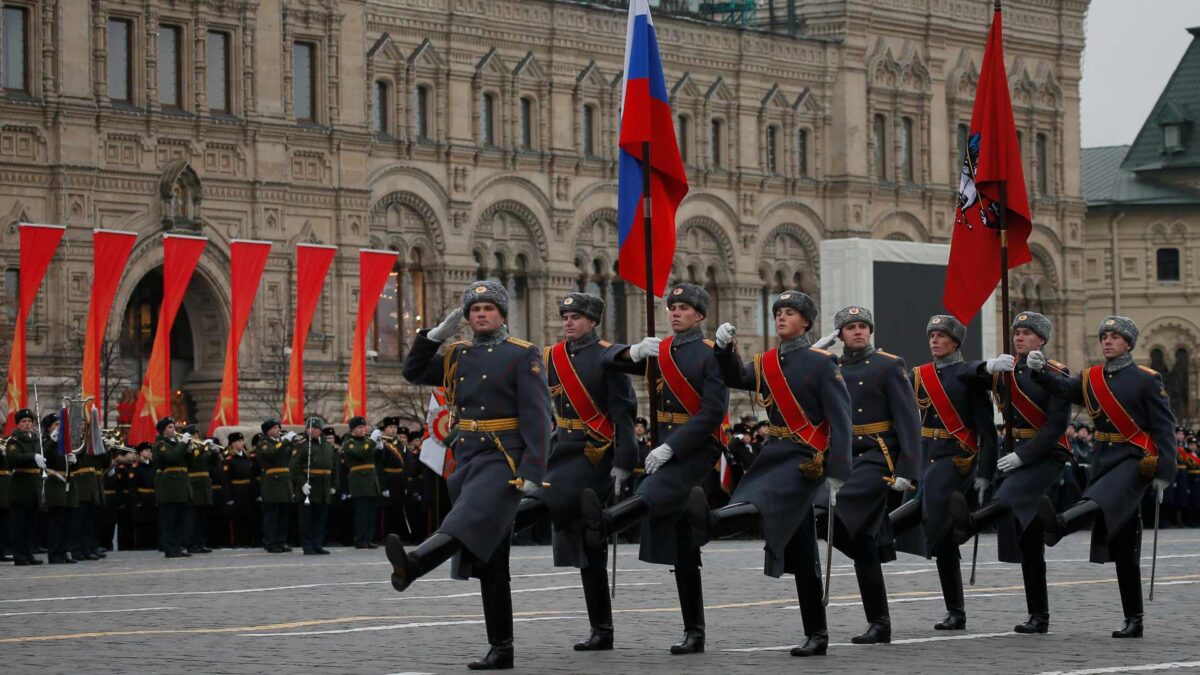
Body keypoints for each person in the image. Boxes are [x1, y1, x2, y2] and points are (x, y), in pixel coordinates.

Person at [387, 280, 550, 670]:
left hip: (503, 460)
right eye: (474, 310)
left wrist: (532, 468)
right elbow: (412, 372)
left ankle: (414, 564)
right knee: (491, 561)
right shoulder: (458, 354)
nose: (480, 315)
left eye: (488, 309)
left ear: (502, 314)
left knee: (465, 520)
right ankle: (502, 648)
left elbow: (539, 416)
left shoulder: (522, 354)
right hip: (469, 458)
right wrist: (432, 337)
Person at [683, 290, 851, 656]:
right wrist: (724, 349)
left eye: (789, 313)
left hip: (805, 458)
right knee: (803, 550)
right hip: (774, 452)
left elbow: (841, 418)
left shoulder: (822, 364)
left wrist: (838, 470)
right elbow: (738, 377)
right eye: (778, 312)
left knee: (760, 500)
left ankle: (711, 525)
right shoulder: (767, 362)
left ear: (805, 322)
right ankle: (817, 634)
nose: (780, 317)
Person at [580, 282, 729, 656]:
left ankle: (608, 521)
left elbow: (712, 413)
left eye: (683, 308)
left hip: (696, 446)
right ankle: (695, 631)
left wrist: (670, 446)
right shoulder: (659, 351)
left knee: (654, 492)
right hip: (664, 445)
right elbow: (604, 360)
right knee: (681, 544)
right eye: (672, 307)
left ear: (699, 315)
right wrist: (632, 350)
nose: (675, 312)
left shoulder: (711, 355)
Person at [1031, 315, 1177, 638]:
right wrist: (1040, 370)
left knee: (1101, 498)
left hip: (1134, 459)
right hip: (1104, 458)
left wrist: (1165, 471)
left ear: (1128, 343)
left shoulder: (1146, 379)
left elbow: (1164, 428)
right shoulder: (1091, 378)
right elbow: (1065, 388)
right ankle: (1134, 619)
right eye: (1104, 336)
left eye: (1114, 336)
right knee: (1125, 546)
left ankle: (1060, 524)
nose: (1107, 341)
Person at [508, 292, 637, 651]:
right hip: (561, 450)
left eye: (576, 317)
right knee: (589, 544)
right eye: (565, 316)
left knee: (542, 499)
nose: (568, 322)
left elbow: (623, 412)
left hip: (595, 456)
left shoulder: (607, 357)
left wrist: (624, 462)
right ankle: (602, 630)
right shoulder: (552, 358)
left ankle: (490, 528)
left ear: (593, 322)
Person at [948, 311, 1069, 634]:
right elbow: (961, 376)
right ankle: (1038, 616)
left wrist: (1023, 455)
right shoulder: (1005, 371)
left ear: (1041, 340)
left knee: (1010, 496)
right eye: (1017, 331)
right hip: (1012, 454)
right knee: (1028, 539)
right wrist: (986, 367)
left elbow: (1056, 426)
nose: (1019, 337)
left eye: (1028, 333)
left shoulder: (1056, 372)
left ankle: (973, 522)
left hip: (1045, 454)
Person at [808, 304, 921, 645]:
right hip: (842, 456)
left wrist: (907, 469)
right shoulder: (831, 366)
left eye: (862, 326)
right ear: (839, 334)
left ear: (870, 331)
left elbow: (908, 420)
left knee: (823, 509)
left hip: (876, 459)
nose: (857, 331)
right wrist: (814, 354)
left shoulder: (889, 365)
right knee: (860, 543)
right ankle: (880, 623)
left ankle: (878, 619)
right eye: (850, 327)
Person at [890, 315, 1003, 630]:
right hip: (926, 455)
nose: (935, 341)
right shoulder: (920, 375)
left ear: (955, 342)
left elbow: (987, 432)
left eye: (941, 336)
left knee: (936, 523)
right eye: (932, 336)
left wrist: (984, 472)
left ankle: (883, 533)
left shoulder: (968, 375)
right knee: (931, 518)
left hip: (955, 459)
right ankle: (883, 534)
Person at [291, 417, 337, 555]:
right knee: (306, 519)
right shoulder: (303, 445)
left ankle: (317, 544)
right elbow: (294, 467)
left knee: (320, 519)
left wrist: (334, 484)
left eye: (315, 428)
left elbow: (334, 467)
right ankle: (307, 545)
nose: (312, 430)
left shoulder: (327, 446)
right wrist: (302, 483)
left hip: (323, 487)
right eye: (310, 428)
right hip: (309, 486)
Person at [6, 409, 44, 565]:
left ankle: (28, 553)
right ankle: (19, 555)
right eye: (24, 421)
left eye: (29, 421)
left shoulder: (36, 439)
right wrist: (32, 456)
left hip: (34, 485)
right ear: (18, 424)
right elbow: (13, 459)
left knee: (30, 525)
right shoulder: (14, 441)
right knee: (19, 525)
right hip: (21, 486)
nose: (27, 424)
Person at [153, 417, 193, 558]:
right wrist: (183, 444)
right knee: (169, 520)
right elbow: (172, 458)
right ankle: (170, 548)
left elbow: (187, 462)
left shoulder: (176, 444)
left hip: (180, 486)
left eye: (173, 427)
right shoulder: (161, 444)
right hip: (169, 487)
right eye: (170, 427)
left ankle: (178, 546)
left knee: (179, 520)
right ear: (163, 430)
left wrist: (189, 449)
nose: (173, 430)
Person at [69, 428, 108, 561]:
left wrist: (103, 447)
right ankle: (76, 549)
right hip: (81, 482)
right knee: (79, 520)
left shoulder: (93, 441)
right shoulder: (75, 441)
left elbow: (104, 463)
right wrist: (86, 442)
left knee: (91, 520)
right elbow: (75, 460)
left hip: (94, 484)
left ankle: (89, 547)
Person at [257, 419, 295, 553]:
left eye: (278, 427)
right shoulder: (264, 443)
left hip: (285, 480)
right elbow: (271, 454)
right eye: (274, 428)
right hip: (272, 482)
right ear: (267, 431)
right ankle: (271, 542)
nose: (278, 429)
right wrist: (285, 441)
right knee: (272, 515)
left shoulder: (281, 443)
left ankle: (281, 541)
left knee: (284, 514)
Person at [343, 417, 381, 549]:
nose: (363, 429)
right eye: (359, 427)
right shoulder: (349, 441)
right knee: (362, 512)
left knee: (370, 512)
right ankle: (359, 539)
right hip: (359, 480)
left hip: (370, 480)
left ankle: (368, 538)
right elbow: (360, 453)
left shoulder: (366, 441)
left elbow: (377, 459)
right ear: (352, 429)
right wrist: (371, 441)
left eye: (363, 427)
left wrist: (380, 448)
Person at [221, 433, 259, 547]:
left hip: (248, 490)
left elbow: (252, 476)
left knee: (249, 516)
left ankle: (249, 540)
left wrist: (256, 493)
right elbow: (226, 480)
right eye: (238, 441)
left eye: (242, 441)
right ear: (232, 443)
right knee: (238, 518)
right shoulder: (229, 459)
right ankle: (239, 541)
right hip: (236, 490)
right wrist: (228, 497)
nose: (241, 443)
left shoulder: (247, 458)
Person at [184, 436, 220, 554]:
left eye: (196, 434)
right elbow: (191, 459)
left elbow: (211, 464)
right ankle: (190, 544)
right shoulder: (187, 448)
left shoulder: (201, 449)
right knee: (191, 518)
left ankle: (200, 543)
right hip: (193, 485)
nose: (196, 437)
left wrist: (214, 453)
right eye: (193, 434)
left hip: (204, 485)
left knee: (202, 518)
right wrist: (204, 447)